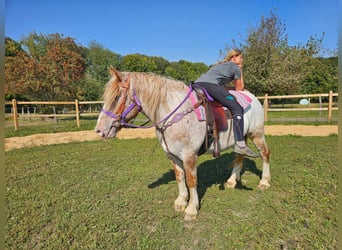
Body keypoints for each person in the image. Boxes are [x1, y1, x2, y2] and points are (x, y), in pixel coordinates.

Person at [194, 49, 259, 158]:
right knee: (237, 108)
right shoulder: (235, 67)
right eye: (240, 57)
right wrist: (240, 69)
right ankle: (240, 144)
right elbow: (239, 88)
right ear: (234, 58)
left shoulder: (220, 65)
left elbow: (219, 86)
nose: (242, 59)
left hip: (197, 84)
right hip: (210, 86)